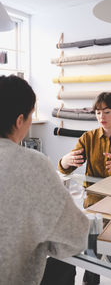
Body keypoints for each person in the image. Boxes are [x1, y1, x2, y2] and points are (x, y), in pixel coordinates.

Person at [0, 75, 89, 285]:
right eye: (31, 115)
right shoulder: (34, 163)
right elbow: (74, 237)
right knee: (63, 265)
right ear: (20, 120)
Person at [58, 91, 111, 285]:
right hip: (94, 201)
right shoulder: (88, 138)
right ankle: (91, 280)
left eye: (107, 112)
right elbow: (67, 166)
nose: (101, 117)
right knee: (91, 242)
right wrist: (64, 161)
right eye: (98, 112)